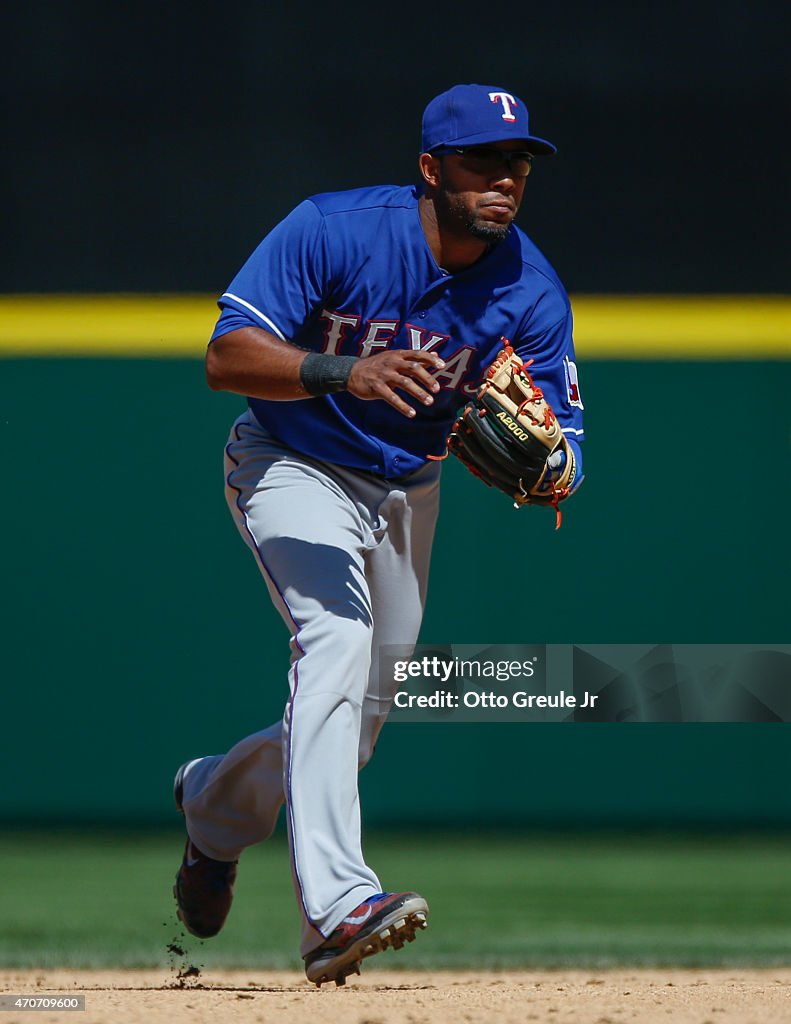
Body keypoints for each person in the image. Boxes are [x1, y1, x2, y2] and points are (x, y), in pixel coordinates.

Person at [172, 83, 585, 988]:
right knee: (335, 640)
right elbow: (225, 357)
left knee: (353, 726)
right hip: (291, 461)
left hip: (409, 490)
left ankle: (211, 808)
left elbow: (567, 447)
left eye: (516, 162)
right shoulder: (335, 228)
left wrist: (554, 466)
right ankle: (336, 909)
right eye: (481, 160)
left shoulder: (530, 289)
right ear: (432, 169)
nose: (503, 179)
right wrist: (342, 371)